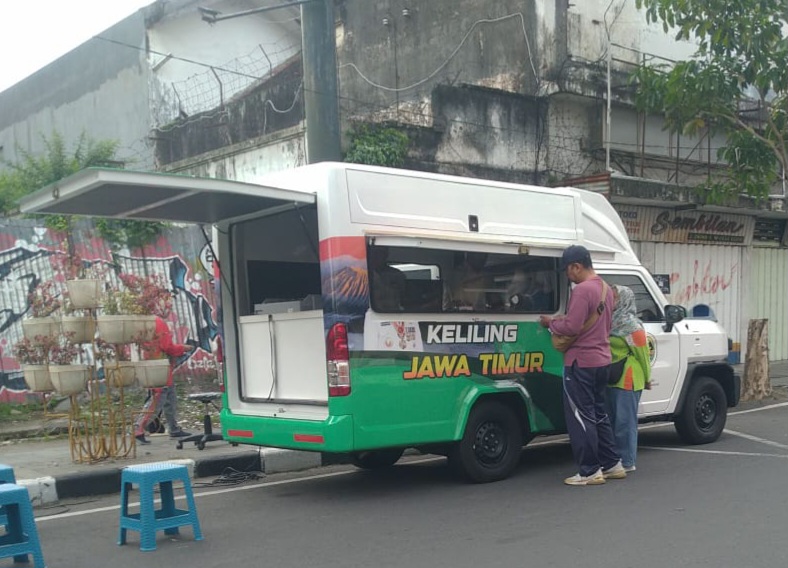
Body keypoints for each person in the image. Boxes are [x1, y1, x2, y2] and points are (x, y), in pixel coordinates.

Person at [539, 245, 626, 486]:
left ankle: (589, 471)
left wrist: (550, 324)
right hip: (602, 360)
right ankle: (612, 464)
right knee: (599, 414)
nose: (567, 275)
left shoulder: (582, 291)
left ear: (577, 266)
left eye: (567, 270)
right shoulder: (606, 289)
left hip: (581, 362)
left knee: (580, 416)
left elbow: (572, 326)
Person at [607, 285, 652, 472]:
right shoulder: (607, 321)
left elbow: (643, 355)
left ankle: (627, 461)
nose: (612, 301)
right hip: (610, 376)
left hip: (628, 378)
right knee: (611, 421)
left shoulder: (632, 327)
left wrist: (648, 378)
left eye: (615, 297)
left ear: (624, 300)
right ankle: (613, 459)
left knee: (625, 422)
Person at [134, 315, 195, 444]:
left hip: (153, 365)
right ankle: (138, 429)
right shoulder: (159, 323)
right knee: (157, 400)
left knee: (170, 398)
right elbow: (167, 347)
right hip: (160, 367)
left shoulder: (142, 323)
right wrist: (183, 348)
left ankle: (173, 428)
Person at [368, 246, 406, 312]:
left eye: (380, 253)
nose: (376, 256)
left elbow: (403, 294)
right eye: (374, 253)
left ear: (386, 255)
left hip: (393, 311)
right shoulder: (364, 274)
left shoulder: (396, 274)